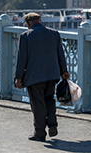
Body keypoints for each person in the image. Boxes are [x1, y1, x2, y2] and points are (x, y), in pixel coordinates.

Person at [14, 12, 69, 141]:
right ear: (40, 20)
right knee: (49, 99)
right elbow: (60, 54)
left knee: (37, 103)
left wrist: (18, 77)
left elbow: (22, 59)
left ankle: (39, 132)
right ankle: (52, 124)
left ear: (28, 23)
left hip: (34, 76)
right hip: (52, 74)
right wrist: (64, 71)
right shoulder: (54, 33)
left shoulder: (25, 36)